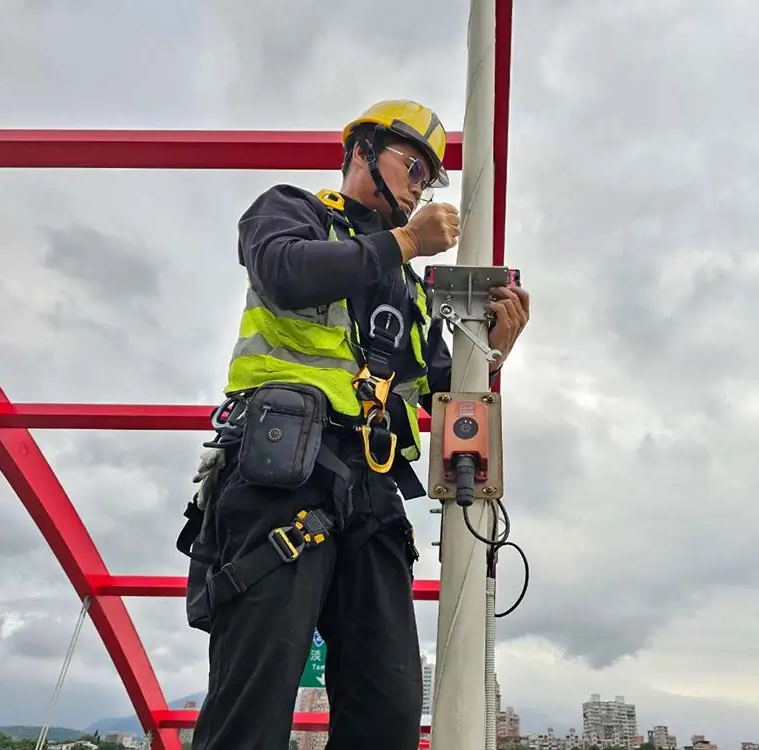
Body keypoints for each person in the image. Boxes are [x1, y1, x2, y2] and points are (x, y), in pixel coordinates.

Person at [180, 99, 530, 750]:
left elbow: (436, 382)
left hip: (371, 498)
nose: (419, 183)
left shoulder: (409, 290)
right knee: (252, 704)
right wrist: (406, 241)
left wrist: (497, 353)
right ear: (363, 150)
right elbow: (283, 273)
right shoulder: (291, 212)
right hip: (282, 479)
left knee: (389, 709)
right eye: (412, 164)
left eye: (428, 176)